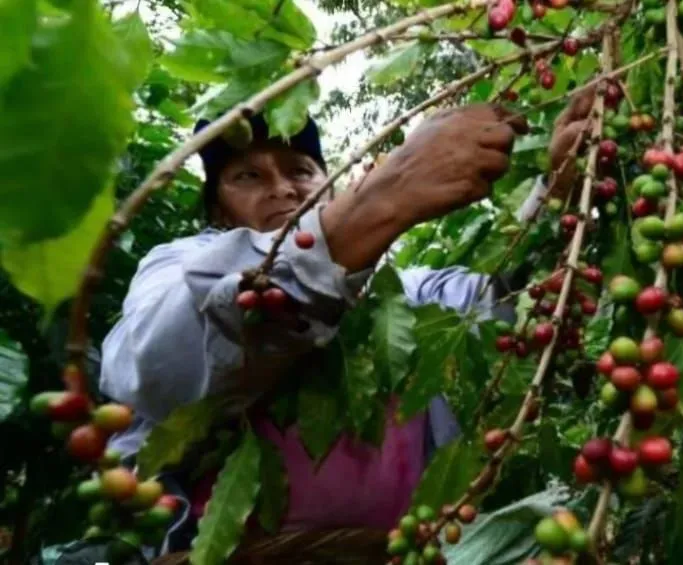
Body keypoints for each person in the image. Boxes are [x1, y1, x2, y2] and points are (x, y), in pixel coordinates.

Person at [89, 94, 594, 561]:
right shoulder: (182, 266)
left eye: (300, 170)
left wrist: (559, 197)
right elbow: (152, 365)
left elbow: (514, 304)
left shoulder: (406, 292)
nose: (282, 187)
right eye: (248, 176)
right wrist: (383, 199)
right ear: (219, 207)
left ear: (331, 184)